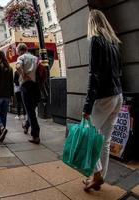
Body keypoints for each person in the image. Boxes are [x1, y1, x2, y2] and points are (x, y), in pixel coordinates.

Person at [82, 9, 123, 192]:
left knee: (88, 137)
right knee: (104, 141)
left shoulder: (95, 40)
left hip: (104, 97)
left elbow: (94, 75)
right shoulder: (113, 43)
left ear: (92, 23)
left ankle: (97, 175)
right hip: (118, 96)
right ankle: (99, 176)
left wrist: (87, 105)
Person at [16, 43, 40, 144]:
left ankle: (35, 135)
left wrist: (23, 75)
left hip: (26, 85)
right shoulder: (35, 58)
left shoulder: (22, 57)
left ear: (20, 51)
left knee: (30, 111)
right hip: (36, 86)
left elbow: (17, 67)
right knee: (32, 109)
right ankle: (26, 125)